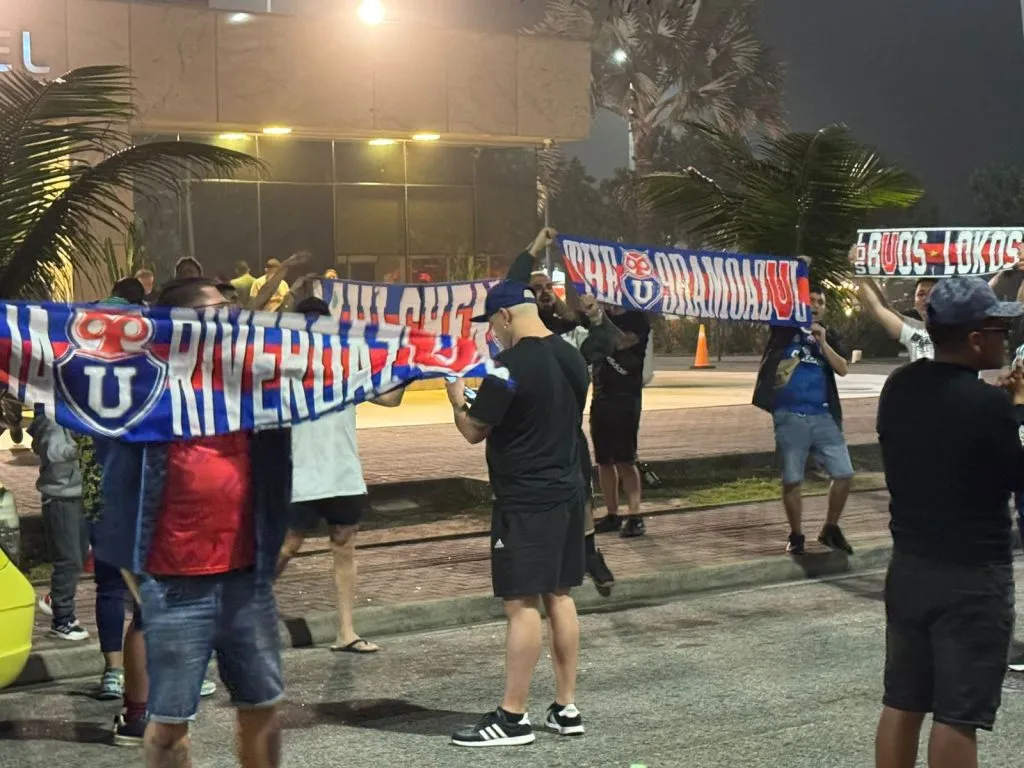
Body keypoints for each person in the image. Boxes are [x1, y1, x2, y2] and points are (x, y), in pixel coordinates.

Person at [93, 276, 289, 768]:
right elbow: (114, 480)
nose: (230, 318)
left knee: (261, 711)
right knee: (168, 726)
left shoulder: (252, 385)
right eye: (218, 310)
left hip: (247, 579)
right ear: (183, 325)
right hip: (176, 584)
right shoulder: (142, 393)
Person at [874, 276, 1024, 768]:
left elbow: (948, 424)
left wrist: (1000, 405)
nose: (1008, 338)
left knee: (903, 702)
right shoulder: (988, 407)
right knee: (958, 715)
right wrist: (1016, 409)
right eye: (1001, 329)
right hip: (972, 577)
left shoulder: (899, 388)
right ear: (977, 339)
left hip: (910, 567)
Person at [447, 280, 587, 748]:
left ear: (505, 317)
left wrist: (456, 399)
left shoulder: (507, 367)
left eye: (491, 324)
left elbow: (474, 430)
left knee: (521, 603)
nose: (492, 334)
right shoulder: (572, 357)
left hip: (525, 500)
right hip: (568, 491)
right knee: (560, 595)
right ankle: (566, 708)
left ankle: (512, 717)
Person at [276, 296, 406, 654]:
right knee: (287, 545)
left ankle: (346, 631)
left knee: (344, 546)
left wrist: (406, 362)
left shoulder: (347, 368)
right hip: (301, 472)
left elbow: (391, 399)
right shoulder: (284, 369)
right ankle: (239, 615)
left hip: (343, 472)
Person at [504, 227, 616, 595]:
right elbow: (513, 282)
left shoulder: (572, 333)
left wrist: (597, 316)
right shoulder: (518, 340)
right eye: (535, 290)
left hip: (568, 432)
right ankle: (556, 561)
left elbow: (606, 344)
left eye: (547, 287)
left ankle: (587, 553)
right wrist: (535, 246)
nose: (544, 293)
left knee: (581, 494)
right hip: (531, 434)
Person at [752, 275, 854, 555]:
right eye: (811, 300)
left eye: (821, 302)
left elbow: (843, 368)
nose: (816, 305)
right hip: (790, 416)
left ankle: (830, 529)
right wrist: (798, 273)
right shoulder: (784, 329)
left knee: (844, 474)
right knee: (792, 479)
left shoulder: (827, 335)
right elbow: (774, 299)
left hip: (823, 416)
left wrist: (822, 343)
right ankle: (796, 535)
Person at [850, 245, 1024, 362]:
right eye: (921, 294)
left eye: (932, 293)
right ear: (914, 301)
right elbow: (878, 307)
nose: (925, 299)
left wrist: (1006, 269)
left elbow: (981, 293)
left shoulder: (961, 324)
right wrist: (858, 269)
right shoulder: (914, 330)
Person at [589, 305, 652, 538]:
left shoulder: (636, 318)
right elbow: (568, 318)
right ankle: (612, 514)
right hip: (601, 395)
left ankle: (635, 515)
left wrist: (600, 319)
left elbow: (621, 341)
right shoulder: (599, 315)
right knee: (604, 460)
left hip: (626, 396)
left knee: (626, 459)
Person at [29, 410, 89, 641]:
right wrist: (86, 447)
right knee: (68, 559)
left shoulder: (82, 413)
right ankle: (62, 620)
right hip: (60, 496)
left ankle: (55, 598)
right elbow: (52, 452)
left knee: (81, 555)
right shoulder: (51, 416)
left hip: (81, 492)